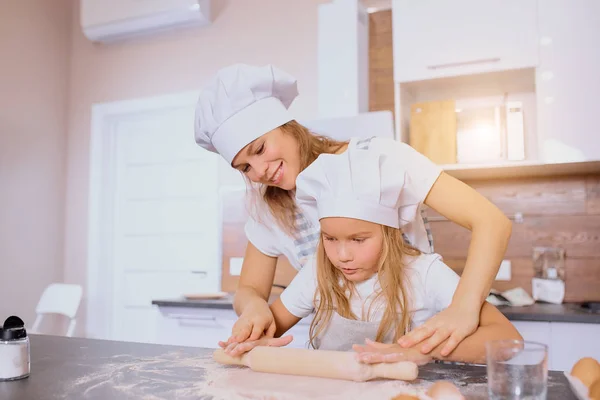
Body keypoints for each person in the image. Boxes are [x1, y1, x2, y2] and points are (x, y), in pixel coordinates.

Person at [194, 63, 513, 358]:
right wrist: (253, 308)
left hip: (419, 345)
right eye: (245, 167)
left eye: (260, 149)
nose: (261, 170)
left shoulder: (379, 159)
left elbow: (490, 222)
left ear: (288, 126)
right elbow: (249, 289)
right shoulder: (271, 208)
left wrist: (464, 308)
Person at [219, 147, 522, 364]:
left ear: (389, 232)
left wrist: (418, 352)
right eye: (329, 238)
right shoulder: (317, 272)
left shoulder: (425, 274)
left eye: (359, 239)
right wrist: (254, 339)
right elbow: (271, 326)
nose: (342, 255)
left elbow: (508, 340)